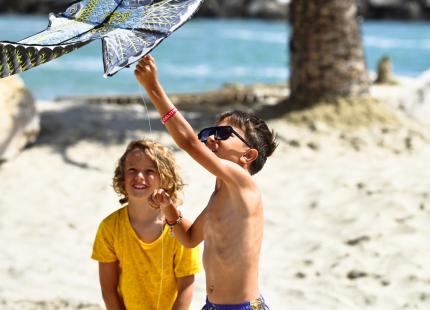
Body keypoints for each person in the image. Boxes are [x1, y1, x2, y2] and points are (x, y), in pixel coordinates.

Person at [135, 55, 277, 309]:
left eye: (223, 134)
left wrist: (153, 88)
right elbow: (189, 238)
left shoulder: (243, 183)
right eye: (209, 133)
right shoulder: (220, 195)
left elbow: (188, 142)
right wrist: (169, 209)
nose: (211, 138)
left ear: (248, 155)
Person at [91, 140, 201, 310]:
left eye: (150, 171)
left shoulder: (179, 230)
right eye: (132, 170)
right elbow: (109, 289)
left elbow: (186, 286)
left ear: (165, 178)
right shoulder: (109, 228)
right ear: (122, 176)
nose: (139, 177)